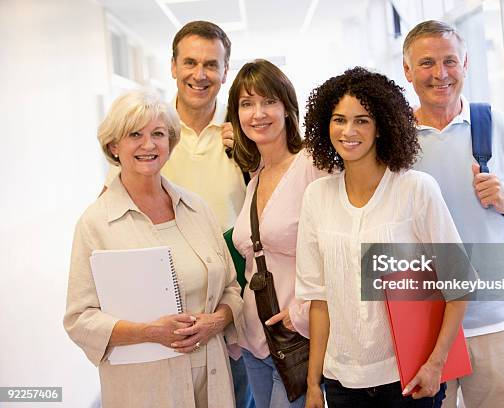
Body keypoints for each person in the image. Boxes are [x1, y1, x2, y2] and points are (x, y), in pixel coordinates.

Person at [402, 20, 504, 408]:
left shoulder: (499, 128)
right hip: (422, 324)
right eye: (426, 63)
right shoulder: (394, 139)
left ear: (466, 63)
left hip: (497, 321)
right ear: (407, 70)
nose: (440, 73)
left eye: (450, 61)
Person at [296, 67, 469, 408]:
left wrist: (436, 364)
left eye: (362, 120)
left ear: (381, 127)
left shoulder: (415, 189)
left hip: (410, 375)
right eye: (339, 119)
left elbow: (459, 283)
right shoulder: (316, 196)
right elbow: (319, 300)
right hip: (342, 382)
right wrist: (314, 383)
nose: (348, 131)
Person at [103, 21, 252, 406]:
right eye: (189, 62)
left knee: (233, 395)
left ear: (225, 71)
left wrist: (248, 151)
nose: (199, 75)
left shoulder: (246, 133)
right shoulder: (151, 132)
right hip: (160, 306)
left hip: (227, 299)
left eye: (210, 64)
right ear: (172, 66)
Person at [64, 89, 243, 408]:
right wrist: (149, 331)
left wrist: (214, 322)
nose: (149, 145)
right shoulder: (95, 224)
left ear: (170, 143)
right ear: (113, 146)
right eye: (135, 134)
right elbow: (80, 319)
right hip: (144, 389)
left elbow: (231, 287)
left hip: (211, 378)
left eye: (158, 134)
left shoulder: (197, 209)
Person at [228, 59, 327, 408]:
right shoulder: (255, 176)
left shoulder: (313, 165)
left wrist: (301, 311)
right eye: (246, 103)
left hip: (297, 339)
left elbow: (338, 251)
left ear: (287, 107)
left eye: (269, 101)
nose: (258, 113)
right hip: (255, 341)